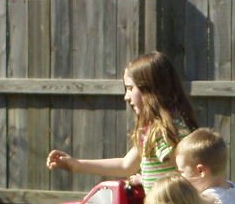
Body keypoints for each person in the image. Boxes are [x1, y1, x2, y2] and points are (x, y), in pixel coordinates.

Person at [47, 51, 198, 194]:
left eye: (130, 88)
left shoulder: (168, 133)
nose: (126, 96)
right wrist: (76, 165)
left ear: (150, 89)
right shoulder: (152, 131)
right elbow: (126, 165)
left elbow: (187, 177)